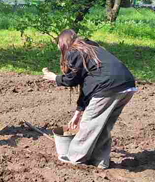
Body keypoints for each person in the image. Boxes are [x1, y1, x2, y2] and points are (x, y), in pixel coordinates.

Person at [42, 29, 136, 169]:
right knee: (103, 126)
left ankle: (75, 159)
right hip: (127, 85)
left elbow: (71, 80)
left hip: (108, 87)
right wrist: (77, 113)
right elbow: (87, 86)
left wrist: (54, 77)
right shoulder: (91, 48)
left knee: (89, 124)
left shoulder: (74, 51)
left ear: (64, 43)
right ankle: (100, 161)